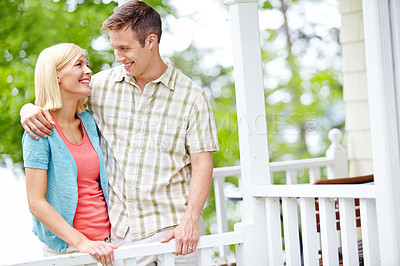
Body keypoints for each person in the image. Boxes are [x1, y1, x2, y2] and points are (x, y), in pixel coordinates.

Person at [20, 1, 219, 265]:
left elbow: (203, 163)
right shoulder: (100, 87)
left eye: (124, 48)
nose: (118, 57)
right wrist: (27, 109)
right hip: (122, 237)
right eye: (114, 48)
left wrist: (190, 221)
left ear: (151, 41)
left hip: (176, 232)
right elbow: (60, 102)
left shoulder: (191, 96)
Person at [22, 43, 117, 266]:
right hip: (70, 251)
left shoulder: (88, 121)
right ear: (56, 76)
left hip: (108, 244)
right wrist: (83, 242)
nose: (88, 70)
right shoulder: (40, 130)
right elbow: (36, 202)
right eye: (78, 65)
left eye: (87, 64)